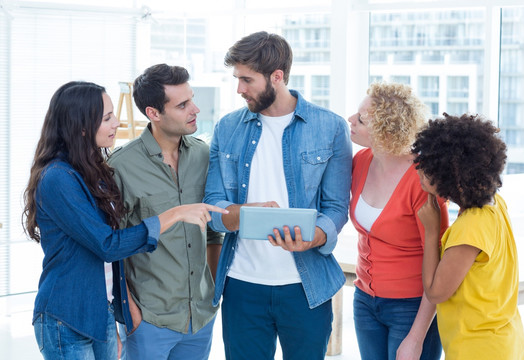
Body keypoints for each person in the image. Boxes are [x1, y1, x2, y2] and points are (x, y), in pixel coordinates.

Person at [23, 81, 225, 360]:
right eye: (106, 118)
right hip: (67, 317)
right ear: (81, 127)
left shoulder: (88, 171)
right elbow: (107, 245)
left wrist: (116, 320)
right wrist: (175, 213)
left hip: (99, 312)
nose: (116, 123)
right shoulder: (58, 178)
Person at [203, 31, 352, 360]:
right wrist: (242, 213)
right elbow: (213, 205)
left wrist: (313, 236)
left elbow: (337, 206)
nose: (239, 89)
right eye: (237, 79)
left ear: (277, 76)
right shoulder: (227, 128)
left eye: (246, 79)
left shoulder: (330, 128)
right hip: (242, 285)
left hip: (306, 286)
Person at [108, 64, 224, 360]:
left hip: (200, 317)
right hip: (149, 320)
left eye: (192, 99)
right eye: (182, 104)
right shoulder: (121, 166)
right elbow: (111, 247)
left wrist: (212, 294)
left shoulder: (203, 155)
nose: (195, 109)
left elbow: (212, 230)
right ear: (154, 113)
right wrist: (129, 313)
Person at [413, 113, 524, 360]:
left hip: (479, 349)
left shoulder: (469, 228)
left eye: (429, 169)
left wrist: (433, 231)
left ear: (453, 180)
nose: (419, 171)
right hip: (504, 340)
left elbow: (435, 292)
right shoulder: (496, 205)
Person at [348, 82, 448, 360]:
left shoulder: (423, 180)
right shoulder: (361, 161)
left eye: (362, 119)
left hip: (413, 306)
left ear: (386, 131)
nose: (351, 121)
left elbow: (440, 262)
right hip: (365, 300)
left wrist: (416, 338)